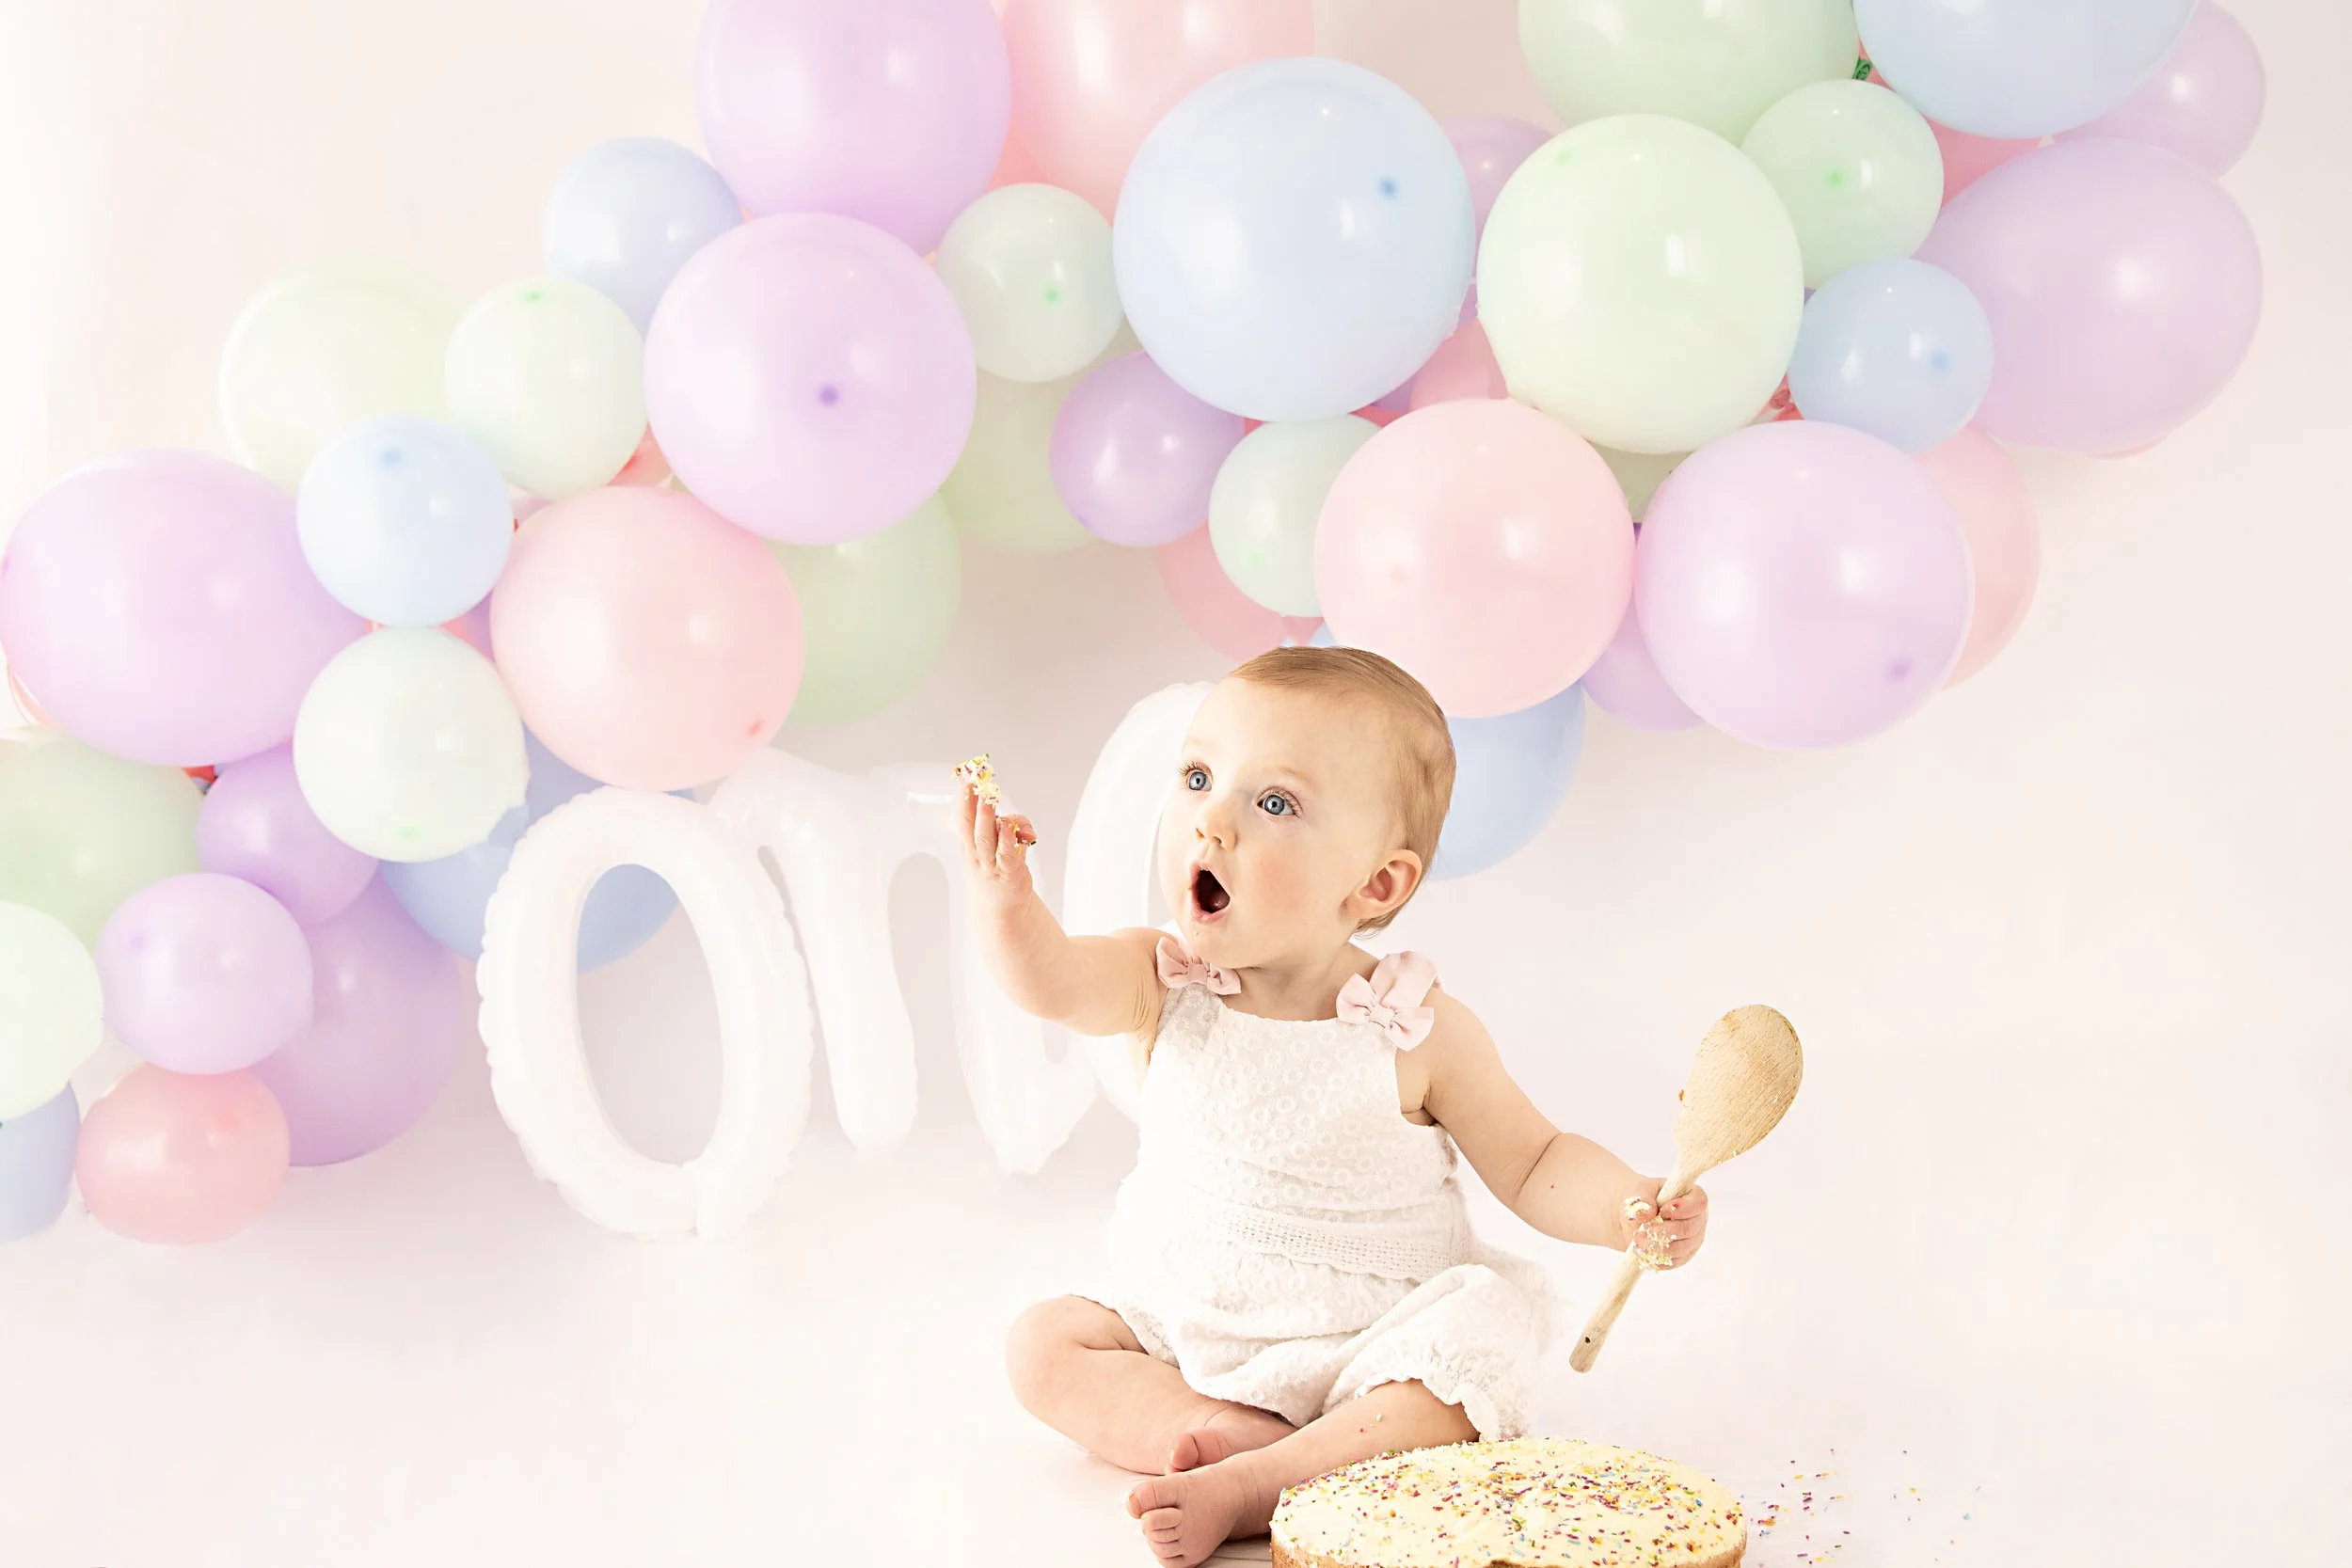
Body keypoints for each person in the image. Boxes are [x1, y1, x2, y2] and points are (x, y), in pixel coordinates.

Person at [959, 645, 1708, 1567]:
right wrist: (1004, 905)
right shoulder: (1163, 979)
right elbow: (1052, 980)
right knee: (1041, 1346)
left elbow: (1534, 1158)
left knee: (1480, 1346)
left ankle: (1263, 1478)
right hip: (1188, 1312)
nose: (1211, 822)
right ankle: (1212, 1430)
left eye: (1272, 802)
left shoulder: (1415, 1026)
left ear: (1377, 883)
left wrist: (1627, 1204)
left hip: (1375, 1336)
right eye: (1198, 777)